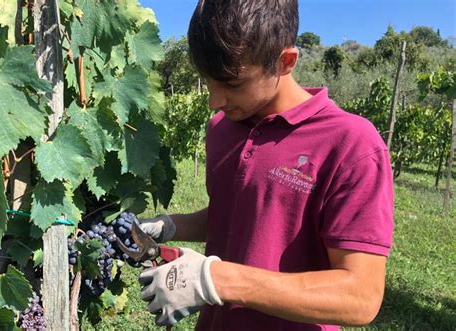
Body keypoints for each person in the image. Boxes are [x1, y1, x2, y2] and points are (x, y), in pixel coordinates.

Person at [138, 0, 394, 330]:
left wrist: (217, 279)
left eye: (233, 84)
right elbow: (241, 215)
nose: (215, 101)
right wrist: (168, 226)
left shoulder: (351, 145)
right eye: (208, 80)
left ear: (285, 62)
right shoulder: (221, 129)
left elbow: (360, 298)